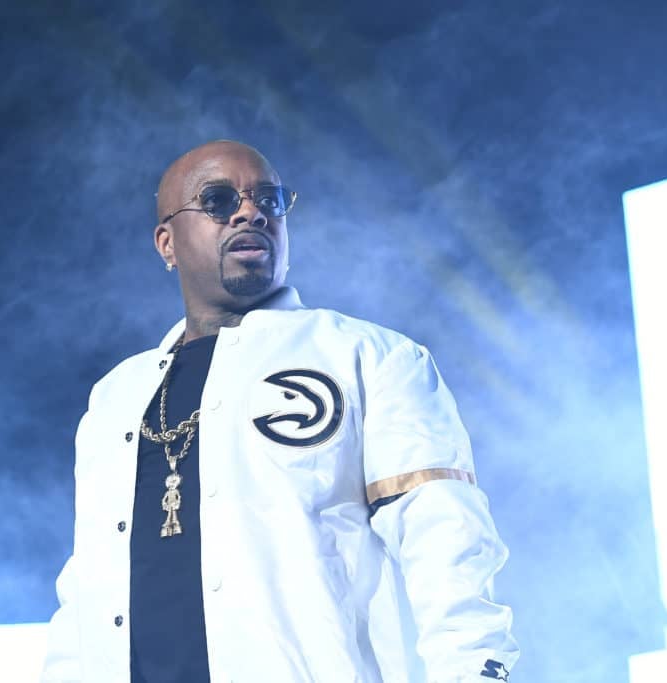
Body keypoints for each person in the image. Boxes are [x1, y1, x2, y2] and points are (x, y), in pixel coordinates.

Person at [41, 140, 519, 682]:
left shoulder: (368, 358)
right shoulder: (115, 398)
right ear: (166, 243)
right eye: (218, 200)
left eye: (269, 200)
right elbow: (87, 586)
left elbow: (446, 539)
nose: (250, 212)